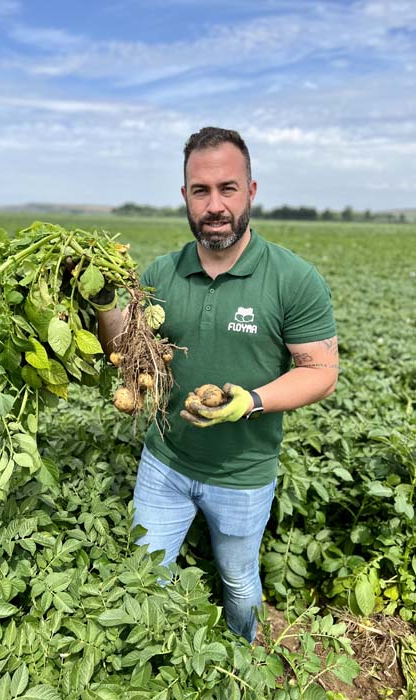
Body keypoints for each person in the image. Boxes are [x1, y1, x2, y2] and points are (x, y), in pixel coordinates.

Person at [97, 126, 338, 643]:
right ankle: (158, 667)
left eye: (227, 188)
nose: (214, 205)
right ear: (185, 196)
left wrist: (251, 401)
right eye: (201, 191)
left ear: (250, 191)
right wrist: (103, 304)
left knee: (238, 582)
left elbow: (320, 372)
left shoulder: (292, 278)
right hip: (164, 464)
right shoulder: (161, 271)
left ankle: (242, 661)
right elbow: (125, 349)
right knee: (145, 579)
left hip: (243, 474)